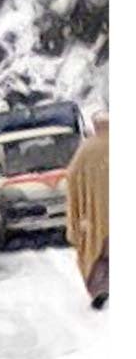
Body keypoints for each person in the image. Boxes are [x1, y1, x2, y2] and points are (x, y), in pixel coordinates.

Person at [66, 111, 109, 310]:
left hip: (97, 217)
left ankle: (100, 289)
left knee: (99, 255)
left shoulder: (85, 150)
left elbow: (72, 177)